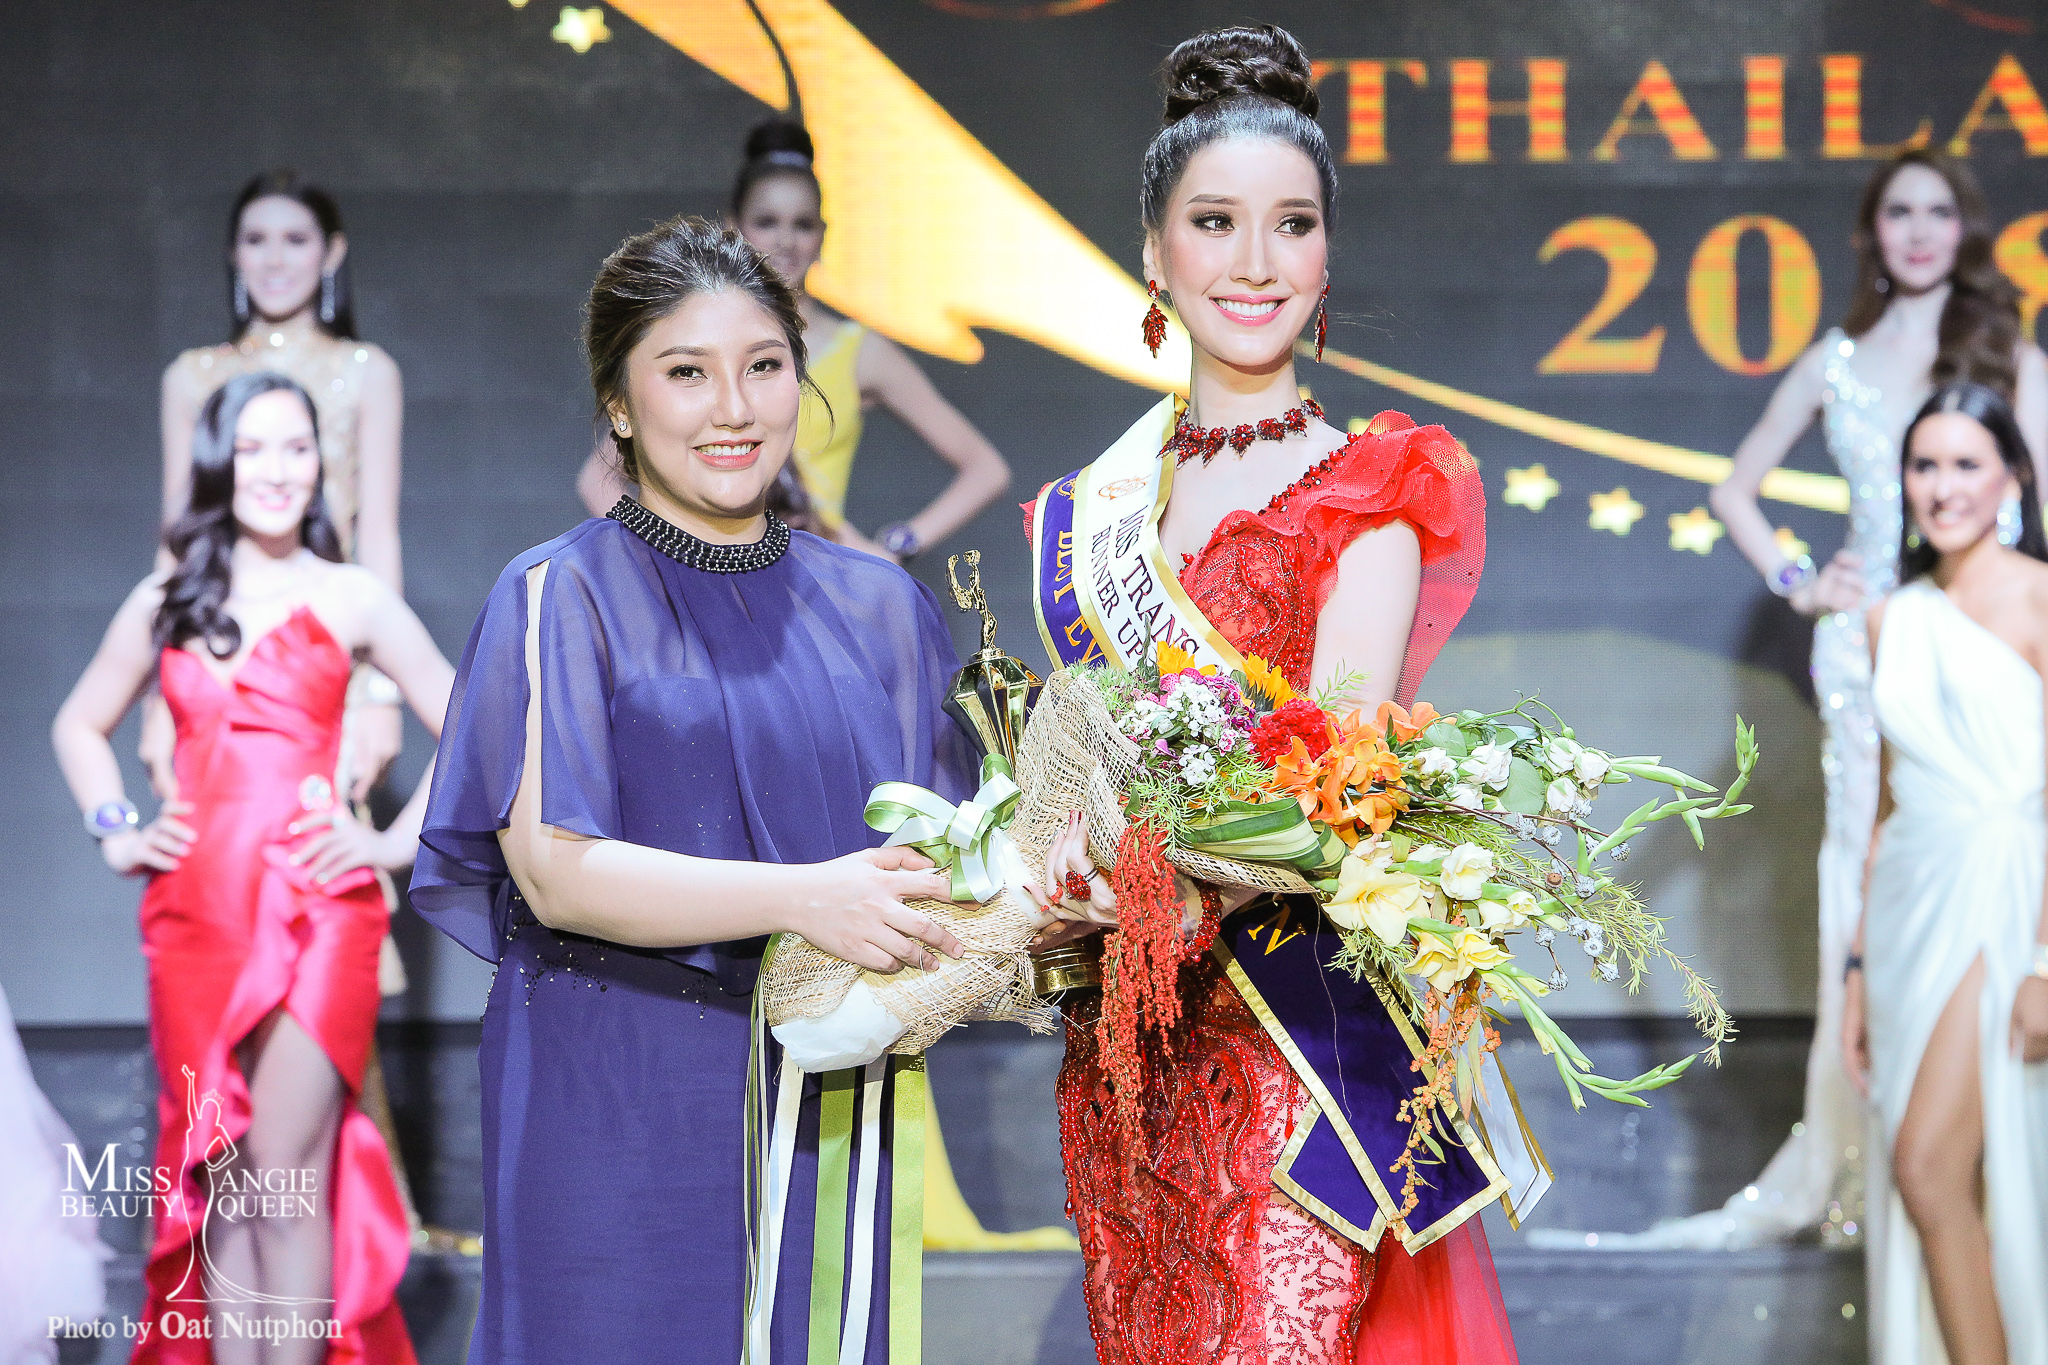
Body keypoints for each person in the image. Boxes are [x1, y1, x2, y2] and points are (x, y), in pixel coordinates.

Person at [1020, 26, 1510, 1363]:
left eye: (1291, 225)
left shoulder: (1370, 492)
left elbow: (1332, 787)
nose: (1253, 262)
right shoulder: (1098, 511)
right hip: (1128, 1047)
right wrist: (1046, 859)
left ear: (1325, 258)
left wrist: (1153, 879)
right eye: (1213, 222)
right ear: (1152, 251)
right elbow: (1076, 757)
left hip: (1296, 1046)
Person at [412, 216, 984, 1362]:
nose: (734, 408)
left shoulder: (878, 607)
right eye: (685, 372)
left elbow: (954, 858)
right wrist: (803, 898)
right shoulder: (559, 593)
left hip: (826, 1095)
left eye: (763, 366)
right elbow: (555, 871)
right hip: (612, 1086)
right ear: (618, 404)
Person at [1578, 151, 2048, 1254]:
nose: (1919, 230)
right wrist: (1801, 579)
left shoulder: (2007, 355)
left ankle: (1982, 1134)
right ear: (1872, 232)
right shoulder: (1835, 360)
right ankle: (1863, 1154)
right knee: (1865, 872)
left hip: (1983, 639)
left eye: (1939, 211)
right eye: (1899, 211)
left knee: (1988, 846)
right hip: (1864, 650)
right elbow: (1732, 487)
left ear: (1965, 229)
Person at [51, 373, 451, 1363]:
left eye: (297, 447)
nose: (277, 470)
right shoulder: (168, 600)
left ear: (320, 463)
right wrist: (116, 829)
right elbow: (79, 723)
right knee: (222, 1174)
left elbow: (476, 723)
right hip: (194, 918)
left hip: (321, 911)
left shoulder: (351, 594)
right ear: (218, 463)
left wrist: (391, 843)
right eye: (254, 448)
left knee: (285, 1173)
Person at [1847, 382, 2048, 1365]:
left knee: (1927, 1165)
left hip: (2002, 897)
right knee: (1941, 1180)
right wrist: (1853, 972)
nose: (1942, 487)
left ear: (2012, 477)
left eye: (1966, 463)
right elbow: (1885, 810)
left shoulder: (2040, 597)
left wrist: (2046, 959)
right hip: (1903, 917)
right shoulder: (1890, 617)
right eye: (1923, 465)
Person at [577, 119, 1012, 567]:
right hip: (709, 571)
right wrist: (667, 560)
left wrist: (893, 548)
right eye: (766, 222)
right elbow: (599, 479)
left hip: (816, 577)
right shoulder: (694, 338)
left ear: (823, 235)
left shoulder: (860, 352)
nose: (785, 241)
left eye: (802, 225)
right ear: (732, 228)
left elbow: (986, 469)